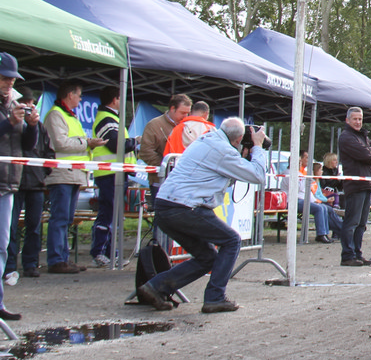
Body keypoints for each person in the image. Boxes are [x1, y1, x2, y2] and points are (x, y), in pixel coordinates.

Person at [133, 117, 269, 313]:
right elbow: (258, 175)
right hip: (184, 207)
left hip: (166, 206)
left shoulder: (208, 141)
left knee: (207, 257)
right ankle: (215, 298)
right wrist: (257, 147)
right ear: (239, 139)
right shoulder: (223, 150)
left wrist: (244, 155)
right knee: (231, 240)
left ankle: (156, 287)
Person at [43, 80, 106, 274]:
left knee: (67, 218)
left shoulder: (69, 115)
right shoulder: (56, 115)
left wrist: (85, 143)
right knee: (60, 218)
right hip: (62, 173)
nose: (80, 99)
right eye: (79, 95)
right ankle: (56, 259)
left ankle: (62, 258)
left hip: (72, 174)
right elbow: (60, 143)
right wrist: (87, 143)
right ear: (70, 95)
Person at [88, 86, 140, 268]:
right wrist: (135, 141)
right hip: (109, 173)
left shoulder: (112, 118)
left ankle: (110, 252)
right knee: (107, 213)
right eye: (121, 98)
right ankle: (99, 252)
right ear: (115, 99)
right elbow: (116, 145)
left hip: (115, 172)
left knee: (113, 215)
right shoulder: (106, 119)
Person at [8, 90, 51, 283]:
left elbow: (49, 153)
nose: (28, 109)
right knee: (10, 227)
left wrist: (43, 172)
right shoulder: (10, 123)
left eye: (31, 105)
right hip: (14, 182)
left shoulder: (40, 127)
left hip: (35, 182)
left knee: (34, 226)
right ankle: (9, 265)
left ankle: (31, 263)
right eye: (24, 105)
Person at [337, 107, 371, 266]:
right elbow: (368, 157)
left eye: (360, 119)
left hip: (367, 184)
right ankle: (347, 255)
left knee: (362, 223)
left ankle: (357, 253)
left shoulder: (362, 136)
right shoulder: (346, 137)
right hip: (355, 185)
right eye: (355, 119)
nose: (358, 122)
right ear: (347, 120)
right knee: (352, 222)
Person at [0, 54, 27, 320]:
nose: (10, 82)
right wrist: (9, 122)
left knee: (2, 245)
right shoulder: (8, 112)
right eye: (5, 77)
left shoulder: (14, 104)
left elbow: (27, 145)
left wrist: (32, 126)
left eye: (12, 78)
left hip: (8, 183)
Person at [139, 94, 192, 210]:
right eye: (183, 113)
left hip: (183, 182)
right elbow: (145, 152)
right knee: (161, 216)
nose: (186, 116)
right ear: (172, 109)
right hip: (160, 181)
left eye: (188, 113)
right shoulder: (154, 125)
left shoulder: (188, 126)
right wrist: (167, 166)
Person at [297, 151, 342, 242]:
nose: (308, 160)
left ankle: (339, 230)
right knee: (321, 208)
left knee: (328, 208)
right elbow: (304, 190)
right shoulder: (298, 175)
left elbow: (311, 192)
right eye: (306, 157)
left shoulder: (305, 174)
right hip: (301, 200)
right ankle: (323, 233)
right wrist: (323, 200)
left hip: (314, 199)